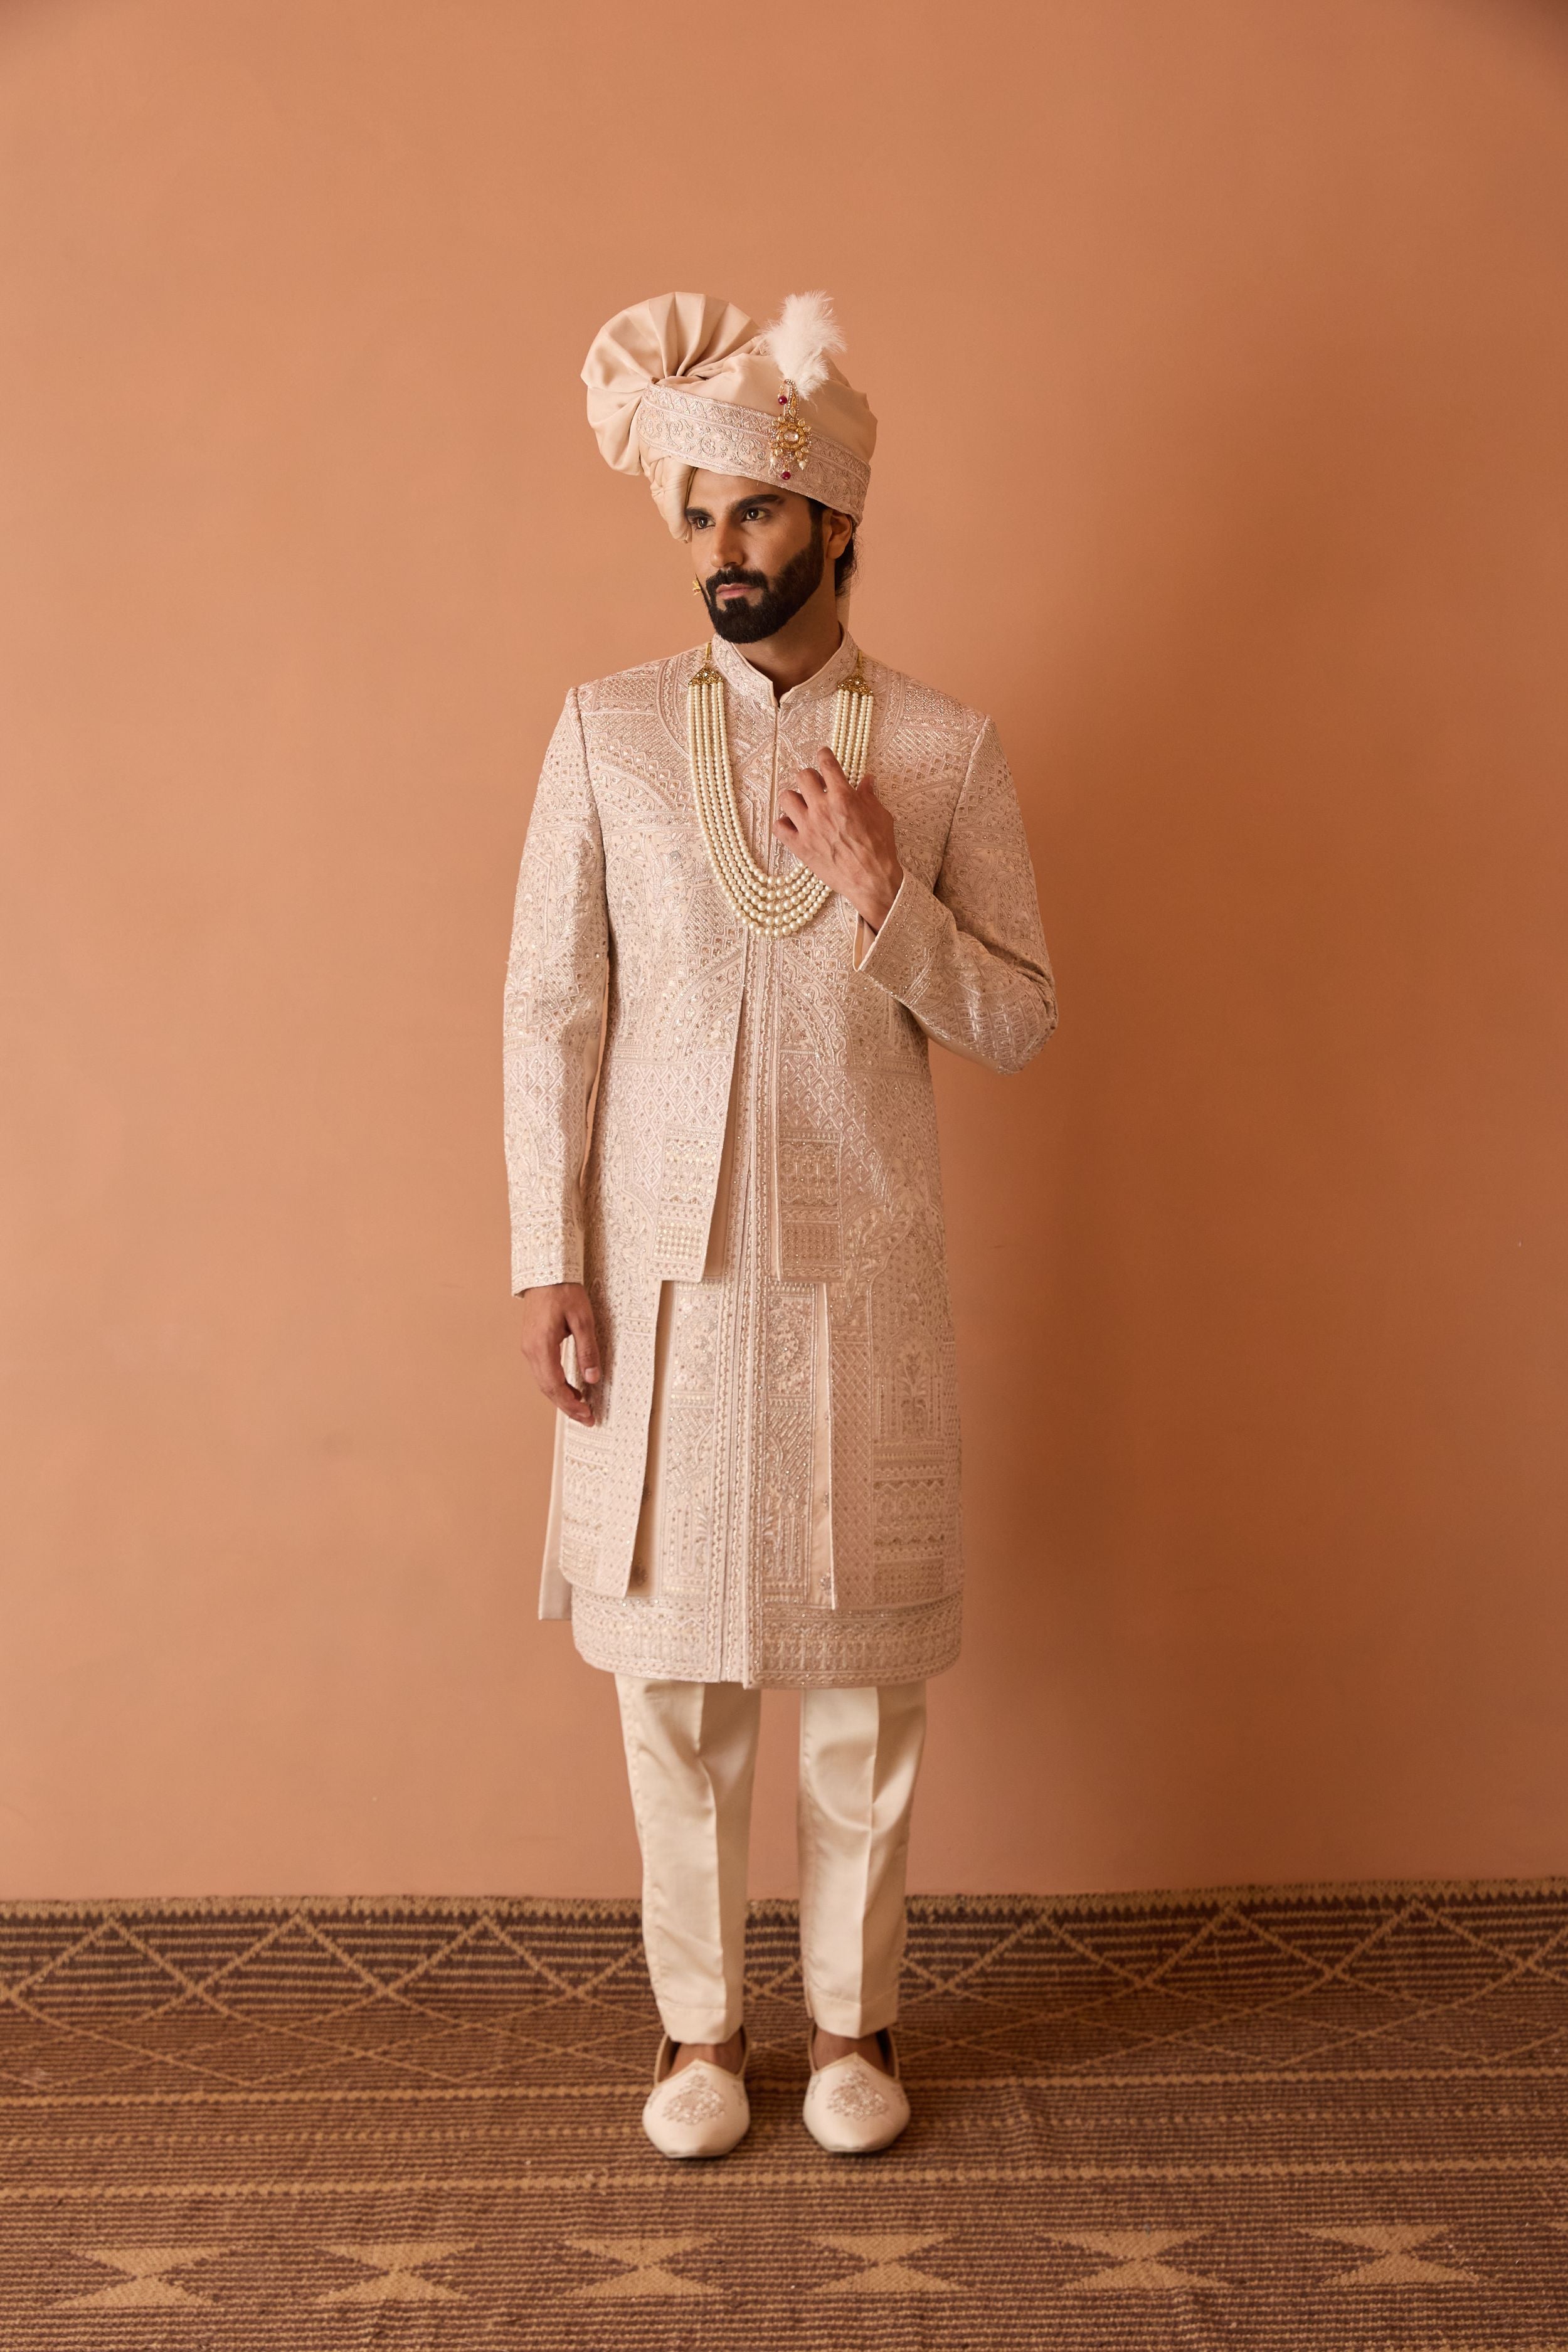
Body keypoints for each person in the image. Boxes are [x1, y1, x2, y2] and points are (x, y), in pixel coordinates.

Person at [504, 290, 1056, 2159]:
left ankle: (852, 2031)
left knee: (852, 1691)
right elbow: (548, 1015)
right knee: (672, 1687)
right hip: (658, 1286)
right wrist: (546, 1255)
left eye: (753, 514)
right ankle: (691, 2039)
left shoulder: (948, 752)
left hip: (857, 1283)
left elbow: (1020, 1018)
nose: (720, 553)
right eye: (695, 516)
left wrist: (886, 894)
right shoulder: (601, 738)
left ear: (834, 522)